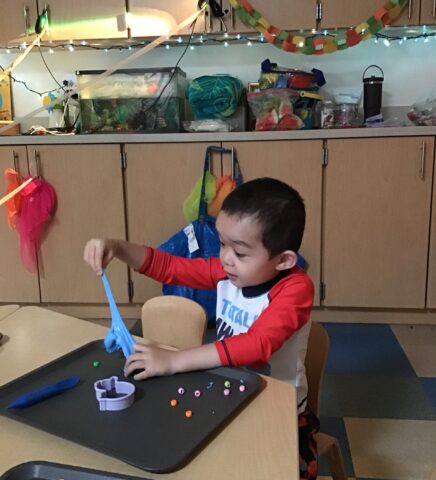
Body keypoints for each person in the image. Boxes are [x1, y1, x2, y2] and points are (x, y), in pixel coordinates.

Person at [83, 177, 319, 479]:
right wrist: (117, 247)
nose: (225, 259)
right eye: (222, 244)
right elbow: (169, 267)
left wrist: (174, 360)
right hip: (232, 393)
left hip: (279, 413)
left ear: (284, 260)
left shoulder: (295, 288)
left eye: (241, 253)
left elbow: (257, 344)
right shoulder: (228, 271)